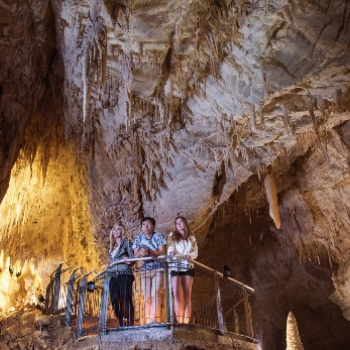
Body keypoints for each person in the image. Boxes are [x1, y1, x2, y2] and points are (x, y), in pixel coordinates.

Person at [132, 217, 167, 324]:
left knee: (156, 293)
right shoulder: (138, 238)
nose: (146, 227)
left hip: (157, 267)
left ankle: (155, 319)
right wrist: (141, 252)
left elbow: (163, 252)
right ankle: (148, 320)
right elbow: (135, 256)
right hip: (145, 270)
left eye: (148, 224)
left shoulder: (159, 236)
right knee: (147, 296)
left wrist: (150, 252)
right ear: (141, 227)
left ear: (153, 226)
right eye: (144, 224)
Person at [167, 216, 198, 324]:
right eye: (177, 223)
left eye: (181, 222)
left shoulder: (191, 238)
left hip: (187, 266)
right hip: (175, 265)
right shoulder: (172, 236)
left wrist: (190, 255)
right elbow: (170, 247)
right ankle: (179, 320)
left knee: (186, 294)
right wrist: (171, 252)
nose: (179, 224)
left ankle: (185, 321)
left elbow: (195, 252)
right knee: (177, 294)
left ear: (185, 223)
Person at [107, 223, 134, 326]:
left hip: (124, 273)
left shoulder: (127, 243)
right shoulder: (112, 248)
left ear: (122, 231)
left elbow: (132, 258)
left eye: (118, 229)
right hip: (113, 275)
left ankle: (130, 323)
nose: (116, 231)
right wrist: (108, 265)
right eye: (114, 229)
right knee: (114, 299)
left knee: (126, 297)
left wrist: (129, 260)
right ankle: (121, 322)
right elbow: (113, 261)